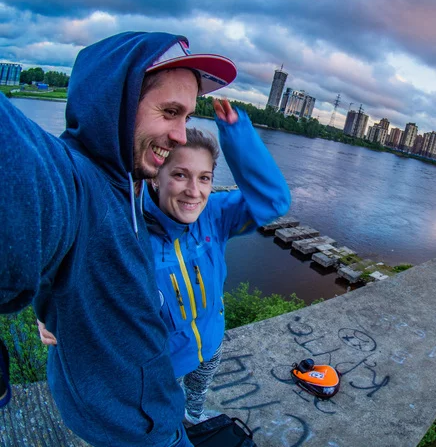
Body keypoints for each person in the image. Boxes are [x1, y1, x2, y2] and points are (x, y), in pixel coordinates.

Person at [0, 32, 238, 447]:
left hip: (153, 410)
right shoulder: (78, 180)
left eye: (186, 117)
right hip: (128, 429)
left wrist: (50, 295)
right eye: (169, 112)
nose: (182, 135)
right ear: (119, 102)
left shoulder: (130, 183)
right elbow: (26, 180)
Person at [145, 99, 290, 423]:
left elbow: (274, 201)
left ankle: (194, 417)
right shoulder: (131, 232)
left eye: (205, 178)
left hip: (210, 343)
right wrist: (51, 314)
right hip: (163, 363)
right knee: (164, 415)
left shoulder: (214, 215)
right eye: (180, 175)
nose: (194, 192)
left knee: (196, 399)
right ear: (156, 176)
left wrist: (237, 134)